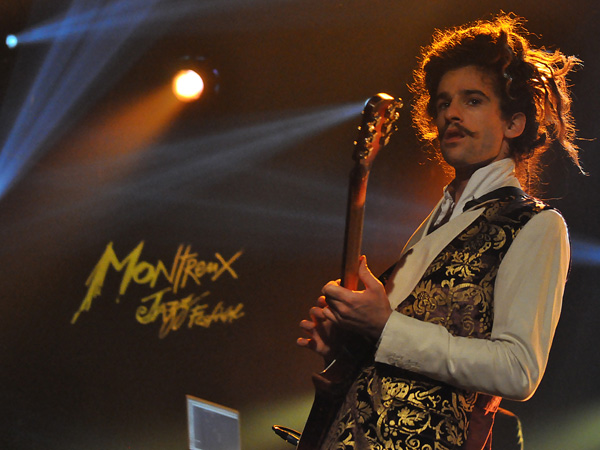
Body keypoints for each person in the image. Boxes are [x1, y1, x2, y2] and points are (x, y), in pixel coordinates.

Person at [297, 13, 583, 450]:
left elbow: (518, 370)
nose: (451, 113)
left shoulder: (536, 225)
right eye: (444, 102)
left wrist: (384, 326)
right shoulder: (434, 224)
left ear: (514, 123)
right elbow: (396, 358)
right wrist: (345, 344)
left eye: (473, 100)